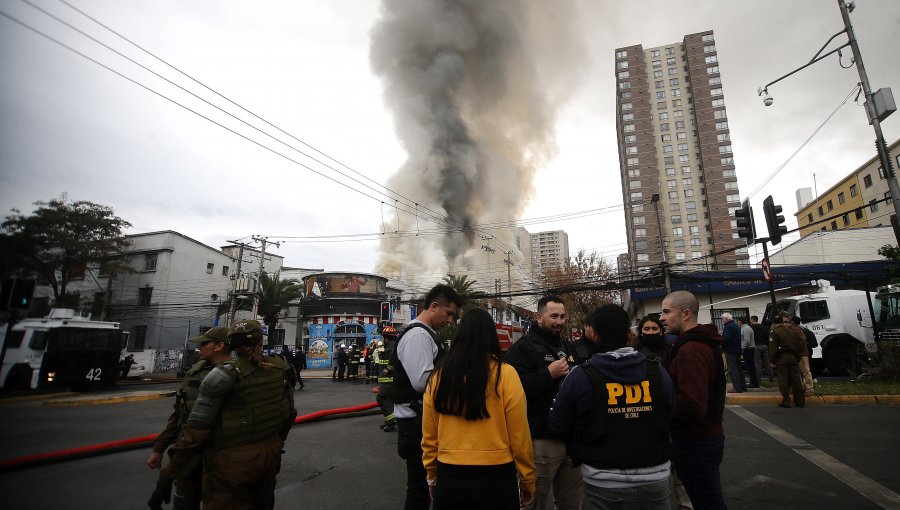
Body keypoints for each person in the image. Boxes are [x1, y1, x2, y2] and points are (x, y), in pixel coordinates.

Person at [161, 319, 298, 509]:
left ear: (230, 345)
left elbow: (194, 431)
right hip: (269, 457)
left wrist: (169, 474)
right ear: (261, 343)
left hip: (229, 466)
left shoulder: (223, 375)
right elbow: (288, 414)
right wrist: (275, 444)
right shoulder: (279, 368)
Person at [549, 304, 674, 509]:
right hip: (655, 479)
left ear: (595, 335)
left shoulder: (580, 376)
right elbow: (670, 414)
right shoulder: (657, 372)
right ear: (628, 334)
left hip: (601, 482)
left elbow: (559, 425)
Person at [422, 308, 535, 509]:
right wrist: (527, 479)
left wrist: (432, 475)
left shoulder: (439, 376)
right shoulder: (506, 374)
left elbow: (429, 434)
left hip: (450, 474)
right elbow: (520, 435)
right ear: (491, 336)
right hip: (497, 476)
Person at [503, 295, 582, 510]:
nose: (559, 321)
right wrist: (547, 374)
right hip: (540, 440)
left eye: (562, 316)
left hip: (570, 439)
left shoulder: (568, 346)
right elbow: (512, 391)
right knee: (536, 502)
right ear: (539, 317)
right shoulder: (522, 349)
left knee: (572, 502)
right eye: (554, 316)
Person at [389, 284, 463, 510]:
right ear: (434, 306)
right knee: (420, 492)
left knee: (424, 490)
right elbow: (423, 382)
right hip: (415, 424)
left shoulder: (426, 334)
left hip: (419, 421)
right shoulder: (418, 336)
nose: (450, 320)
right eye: (448, 313)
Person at [147, 326, 231, 510]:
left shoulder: (235, 374)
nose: (199, 348)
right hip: (187, 456)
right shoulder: (196, 371)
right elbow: (179, 413)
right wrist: (159, 448)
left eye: (204, 344)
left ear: (219, 346)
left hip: (220, 459)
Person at [660, 291, 727, 509]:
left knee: (708, 502)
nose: (661, 317)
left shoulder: (691, 349)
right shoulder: (692, 344)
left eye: (666, 312)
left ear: (686, 314)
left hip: (696, 441)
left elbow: (692, 404)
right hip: (699, 438)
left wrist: (660, 399)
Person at [769, 313, 806, 408]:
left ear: (774, 323)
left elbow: (773, 348)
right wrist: (797, 357)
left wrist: (772, 360)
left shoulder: (775, 332)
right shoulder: (792, 331)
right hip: (793, 356)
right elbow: (798, 344)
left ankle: (786, 401)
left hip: (782, 357)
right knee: (796, 379)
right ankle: (800, 401)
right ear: (782, 321)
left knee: (783, 379)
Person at [375, 327, 400, 432]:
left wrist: (388, 369)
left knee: (381, 398)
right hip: (387, 380)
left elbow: (394, 360)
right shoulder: (390, 346)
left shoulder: (391, 346)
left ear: (386, 337)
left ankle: (391, 422)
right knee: (389, 399)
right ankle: (389, 422)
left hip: (388, 380)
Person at [791, 316, 817, 396]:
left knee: (804, 371)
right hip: (806, 352)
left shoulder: (797, 330)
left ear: (793, 322)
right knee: (805, 371)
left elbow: (801, 342)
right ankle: (806, 387)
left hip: (801, 353)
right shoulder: (805, 329)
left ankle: (808, 389)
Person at [720, 312, 745, 393]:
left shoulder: (728, 327)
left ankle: (737, 387)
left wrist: (720, 340)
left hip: (730, 350)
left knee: (733, 369)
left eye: (722, 319)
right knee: (739, 369)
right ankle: (742, 386)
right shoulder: (735, 326)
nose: (722, 321)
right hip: (737, 350)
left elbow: (726, 339)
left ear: (726, 319)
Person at [750, 316, 774, 383]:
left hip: (756, 346)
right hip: (764, 346)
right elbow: (767, 336)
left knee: (757, 364)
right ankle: (771, 377)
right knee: (767, 363)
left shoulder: (751, 327)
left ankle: (758, 379)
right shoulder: (763, 327)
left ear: (752, 320)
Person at [738, 318, 759, 389]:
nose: (738, 323)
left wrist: (742, 348)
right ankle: (753, 382)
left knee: (750, 366)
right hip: (749, 349)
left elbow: (746, 340)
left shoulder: (746, 328)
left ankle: (753, 382)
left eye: (738, 321)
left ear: (740, 322)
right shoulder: (746, 327)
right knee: (750, 366)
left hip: (748, 349)